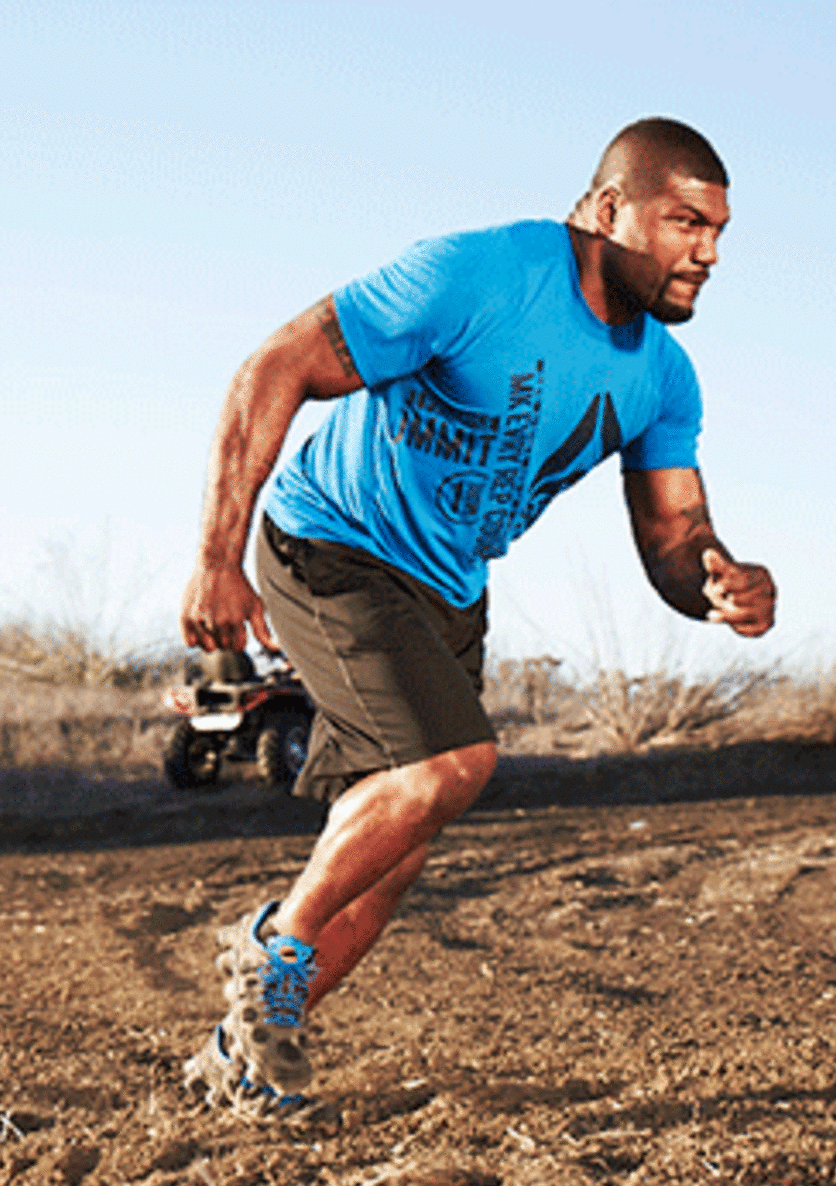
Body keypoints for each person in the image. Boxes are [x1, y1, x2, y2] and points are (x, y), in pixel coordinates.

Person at [179, 117, 777, 1107]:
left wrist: (720, 577)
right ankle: (268, 949)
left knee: (389, 862)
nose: (706, 253)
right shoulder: (478, 277)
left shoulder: (661, 378)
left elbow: (675, 537)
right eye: (682, 223)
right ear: (602, 209)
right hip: (331, 543)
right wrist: (215, 557)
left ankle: (238, 1062)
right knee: (449, 765)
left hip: (448, 587)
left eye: (717, 231)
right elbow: (273, 367)